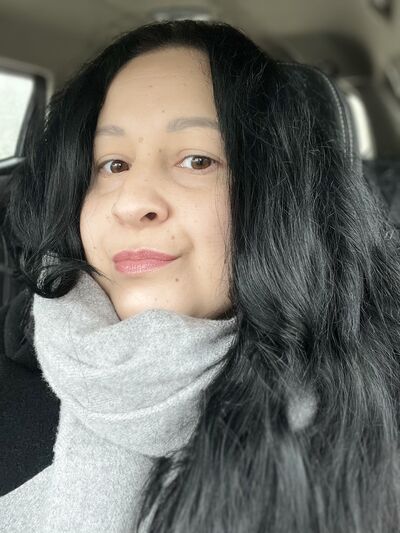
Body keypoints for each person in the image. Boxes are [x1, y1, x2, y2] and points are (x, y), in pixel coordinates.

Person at [1, 17, 400, 533]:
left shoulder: (376, 410)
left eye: (196, 160)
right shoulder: (13, 377)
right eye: (113, 164)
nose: (133, 202)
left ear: (277, 194)